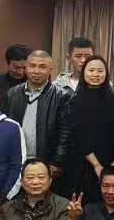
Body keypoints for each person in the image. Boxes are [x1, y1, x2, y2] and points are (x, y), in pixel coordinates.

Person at [5, 51, 74, 179]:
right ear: (26, 68)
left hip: (47, 162)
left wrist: (57, 162)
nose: (36, 71)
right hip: (16, 160)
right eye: (32, 66)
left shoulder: (62, 96)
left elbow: (65, 133)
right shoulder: (12, 94)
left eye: (42, 67)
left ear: (50, 69)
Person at [64, 56, 114, 199]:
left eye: (100, 71)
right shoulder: (75, 101)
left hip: (110, 159)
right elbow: (79, 136)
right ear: (83, 73)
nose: (95, 74)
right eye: (91, 70)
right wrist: (96, 165)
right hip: (84, 161)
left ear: (106, 74)